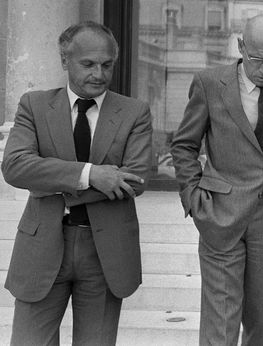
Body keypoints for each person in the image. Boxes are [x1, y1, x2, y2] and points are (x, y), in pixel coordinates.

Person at [2, 21, 153, 345]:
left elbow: (136, 178)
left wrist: (49, 181)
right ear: (64, 60)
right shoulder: (35, 105)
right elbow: (15, 166)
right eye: (88, 64)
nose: (99, 73)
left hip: (105, 253)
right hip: (42, 248)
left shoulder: (134, 112)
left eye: (107, 65)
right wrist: (91, 175)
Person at [171, 14, 263, 345]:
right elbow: (184, 145)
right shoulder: (209, 83)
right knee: (220, 324)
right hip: (221, 214)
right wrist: (194, 199)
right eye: (256, 59)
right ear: (240, 46)